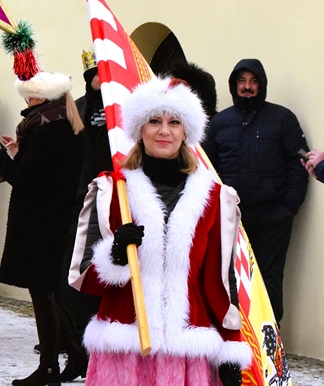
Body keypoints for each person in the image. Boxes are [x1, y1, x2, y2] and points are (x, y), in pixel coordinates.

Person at [69, 77, 250, 386]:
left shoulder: (216, 199)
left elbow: (222, 281)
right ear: (140, 128)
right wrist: (115, 256)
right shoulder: (112, 191)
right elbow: (82, 276)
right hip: (124, 348)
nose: (164, 130)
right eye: (154, 121)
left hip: (186, 351)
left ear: (186, 132)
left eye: (174, 122)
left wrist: (230, 346)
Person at [0, 70, 86, 385]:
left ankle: (50, 367)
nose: (27, 101)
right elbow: (42, 172)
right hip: (53, 221)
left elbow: (25, 178)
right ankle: (76, 358)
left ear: (41, 97)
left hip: (39, 224)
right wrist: (18, 153)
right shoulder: (63, 126)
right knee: (52, 293)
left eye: (30, 95)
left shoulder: (46, 131)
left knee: (43, 295)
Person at [204, 59, 308, 323]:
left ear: (261, 85)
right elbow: (207, 170)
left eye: (253, 81)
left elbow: (299, 165)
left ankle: (269, 345)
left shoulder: (282, 119)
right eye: (242, 81)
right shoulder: (219, 123)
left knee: (268, 278)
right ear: (233, 85)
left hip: (273, 217)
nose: (247, 87)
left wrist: (287, 209)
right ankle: (238, 344)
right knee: (231, 277)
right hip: (231, 218)